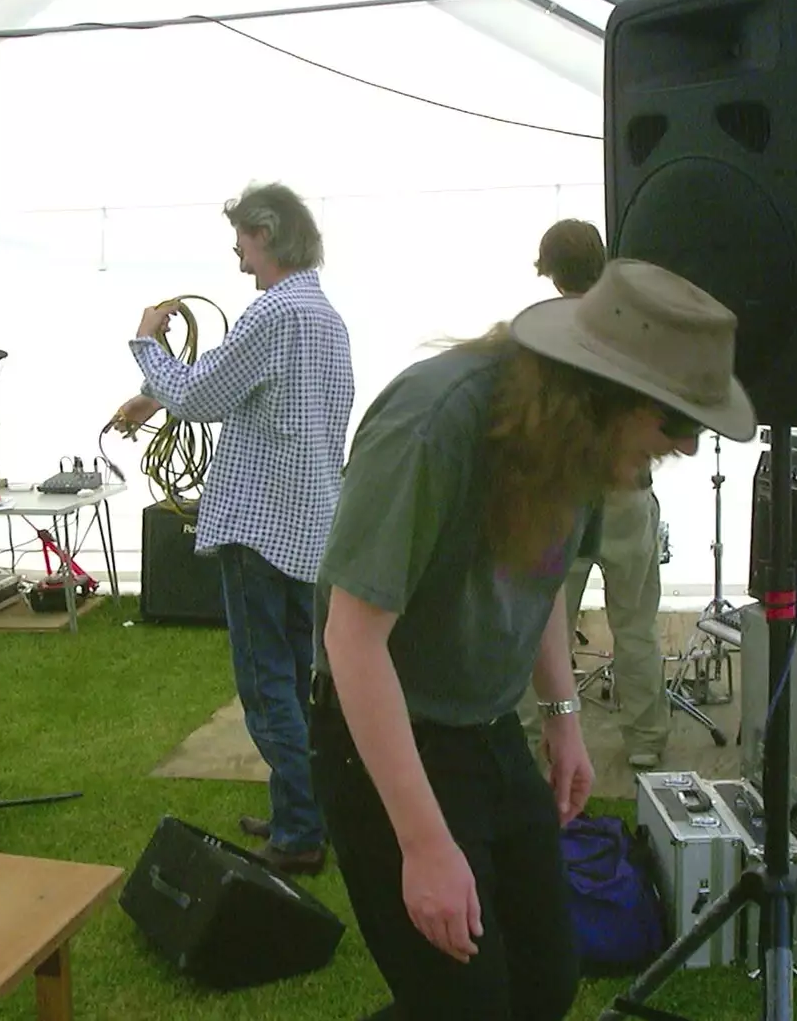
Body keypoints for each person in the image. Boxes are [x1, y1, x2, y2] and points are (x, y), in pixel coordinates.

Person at [310, 258, 755, 1019]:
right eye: (674, 422)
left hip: (486, 732)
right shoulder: (434, 426)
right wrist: (422, 844)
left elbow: (542, 580)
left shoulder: (580, 445)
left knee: (545, 981)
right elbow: (352, 641)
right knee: (465, 1000)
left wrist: (564, 720)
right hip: (386, 736)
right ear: (605, 390)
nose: (684, 447)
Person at [110, 182, 354, 876]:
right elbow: (240, 389)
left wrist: (147, 343)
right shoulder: (326, 318)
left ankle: (301, 832)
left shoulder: (273, 313)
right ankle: (300, 810)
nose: (239, 257)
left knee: (266, 681)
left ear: (268, 234)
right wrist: (154, 394)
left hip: (260, 529)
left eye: (243, 241)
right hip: (309, 525)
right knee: (296, 679)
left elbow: (197, 391)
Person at [523, 218, 673, 771]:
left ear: (553, 271)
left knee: (544, 621)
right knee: (635, 625)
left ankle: (536, 734)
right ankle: (646, 740)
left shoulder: (544, 330)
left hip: (566, 495)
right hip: (627, 493)